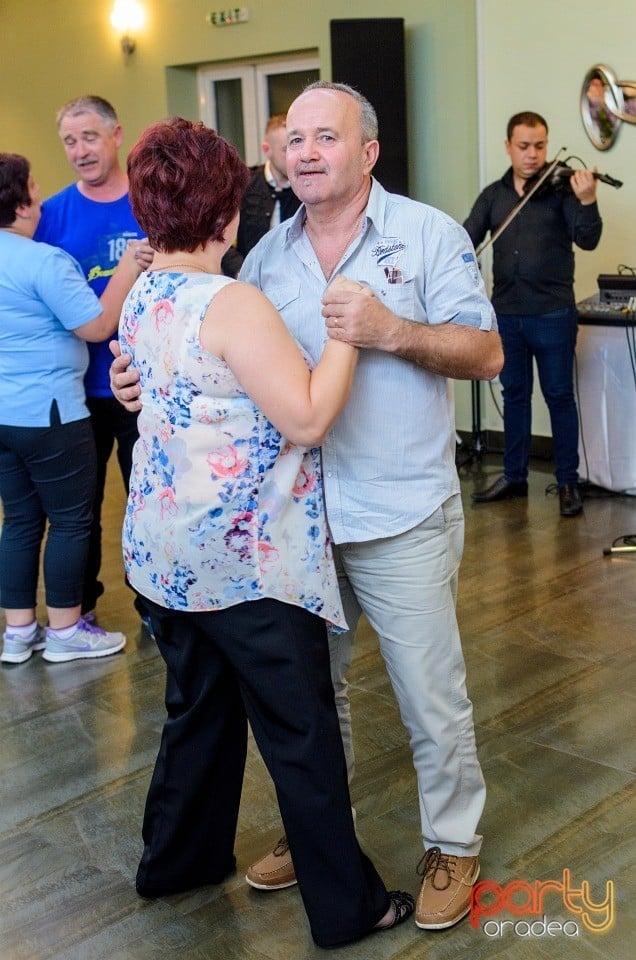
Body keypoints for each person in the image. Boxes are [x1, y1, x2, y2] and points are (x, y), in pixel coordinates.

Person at [111, 82, 503, 933]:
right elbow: (220, 374)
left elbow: (486, 352)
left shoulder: (428, 235)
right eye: (296, 139)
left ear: (368, 153)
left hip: (397, 513)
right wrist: (140, 379)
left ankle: (453, 842)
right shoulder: (262, 257)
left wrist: (392, 329)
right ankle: (326, 835)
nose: (306, 152)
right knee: (317, 703)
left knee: (428, 696)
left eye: (328, 137)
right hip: (295, 527)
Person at [0, 153, 144, 664]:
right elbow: (98, 327)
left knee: (18, 521)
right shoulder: (43, 260)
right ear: (19, 202)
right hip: (53, 414)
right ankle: (64, 630)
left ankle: (18, 633)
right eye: (34, 190)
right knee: (69, 521)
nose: (41, 199)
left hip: (4, 414)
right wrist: (127, 265)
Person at [34, 95, 154, 625]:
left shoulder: (150, 202)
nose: (80, 150)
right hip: (77, 391)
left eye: (89, 137)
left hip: (142, 384)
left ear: (115, 135)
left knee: (147, 504)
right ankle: (78, 613)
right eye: (69, 141)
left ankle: (155, 608)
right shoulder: (51, 214)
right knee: (78, 513)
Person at [465, 111, 602, 518]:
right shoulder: (494, 195)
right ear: (509, 146)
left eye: (539, 146)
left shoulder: (562, 191)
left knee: (559, 397)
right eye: (524, 146)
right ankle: (514, 476)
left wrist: (589, 200)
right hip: (507, 314)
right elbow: (466, 238)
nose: (533, 154)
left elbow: (588, 239)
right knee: (515, 396)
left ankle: (567, 483)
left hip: (553, 313)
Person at [221, 112, 301, 277]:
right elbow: (219, 235)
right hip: (247, 281)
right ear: (266, 150)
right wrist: (241, 271)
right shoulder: (243, 185)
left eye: (297, 146)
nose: (294, 157)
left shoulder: (307, 186)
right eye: (286, 150)